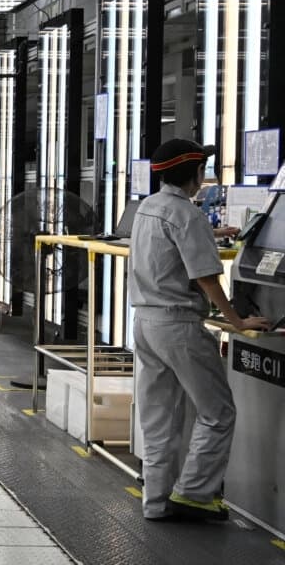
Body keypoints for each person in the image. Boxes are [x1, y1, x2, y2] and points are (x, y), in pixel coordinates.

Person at [128, 139, 270, 522]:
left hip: (145, 322)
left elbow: (169, 251)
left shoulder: (148, 208)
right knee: (218, 412)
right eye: (203, 168)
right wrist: (237, 321)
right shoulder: (185, 215)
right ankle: (194, 493)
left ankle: (155, 502)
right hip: (177, 325)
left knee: (159, 418)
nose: (205, 175)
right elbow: (207, 277)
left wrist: (214, 234)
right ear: (192, 173)